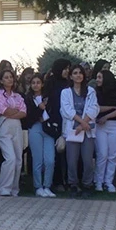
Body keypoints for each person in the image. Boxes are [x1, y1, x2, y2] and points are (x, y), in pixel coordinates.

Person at [60, 64, 99, 196]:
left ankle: (87, 184)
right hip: (73, 129)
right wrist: (81, 123)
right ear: (70, 76)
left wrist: (83, 125)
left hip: (87, 129)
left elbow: (94, 108)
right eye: (75, 73)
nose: (78, 75)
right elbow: (67, 111)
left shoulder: (90, 91)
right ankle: (73, 184)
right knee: (72, 160)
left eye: (80, 73)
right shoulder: (65, 92)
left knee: (88, 160)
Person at [0, 69, 27, 196]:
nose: (9, 79)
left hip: (16, 127)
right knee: (10, 158)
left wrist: (11, 111)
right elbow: (2, 110)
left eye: (11, 77)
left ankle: (14, 189)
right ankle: (3, 188)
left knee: (18, 159)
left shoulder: (18, 96)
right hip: (3, 127)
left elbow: (24, 112)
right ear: (1, 80)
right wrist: (14, 110)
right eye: (6, 77)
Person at [24, 73, 56, 197]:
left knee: (49, 160)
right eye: (33, 83)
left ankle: (47, 185)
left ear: (42, 84)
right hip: (35, 128)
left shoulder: (48, 98)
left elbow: (54, 112)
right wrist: (40, 109)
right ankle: (38, 186)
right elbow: (28, 117)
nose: (36, 85)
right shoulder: (28, 99)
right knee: (37, 159)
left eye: (38, 82)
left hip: (48, 129)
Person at [94, 70, 116, 193]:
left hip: (114, 125)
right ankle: (98, 181)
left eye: (100, 77)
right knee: (102, 154)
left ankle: (109, 181)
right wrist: (111, 108)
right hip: (100, 126)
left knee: (113, 155)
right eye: (97, 77)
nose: (97, 80)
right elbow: (96, 108)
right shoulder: (95, 92)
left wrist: (106, 116)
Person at [44, 58, 71, 191]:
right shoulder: (50, 83)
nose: (67, 71)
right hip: (54, 120)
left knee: (68, 151)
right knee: (56, 151)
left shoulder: (69, 83)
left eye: (68, 68)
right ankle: (57, 180)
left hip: (68, 120)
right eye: (65, 68)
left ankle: (69, 179)